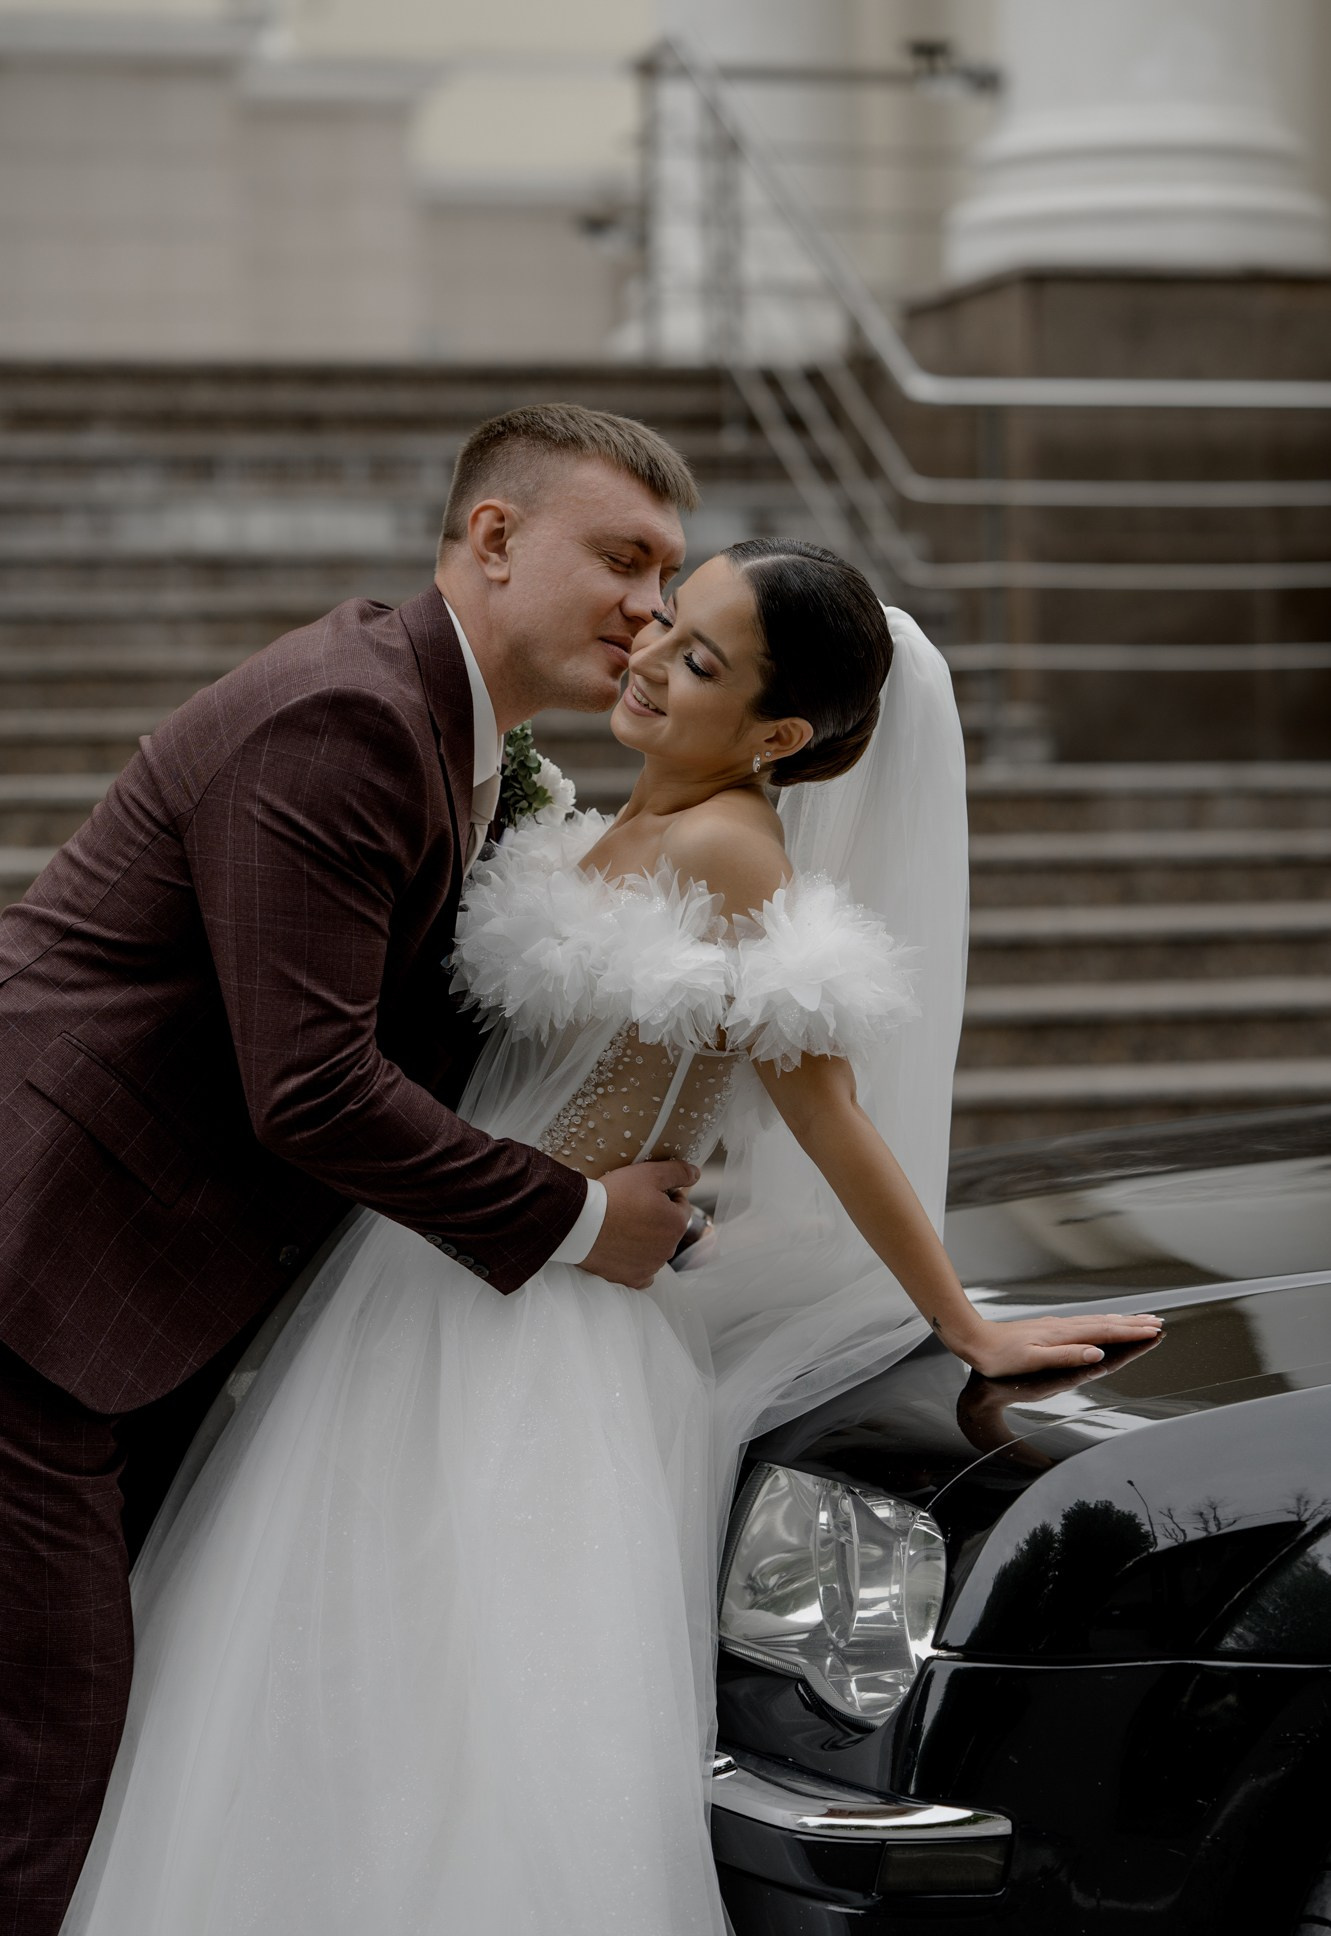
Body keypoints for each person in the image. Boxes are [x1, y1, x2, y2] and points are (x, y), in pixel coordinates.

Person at [58, 539, 1162, 1935]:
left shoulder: (731, 852)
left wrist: (968, 1324)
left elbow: (830, 1115)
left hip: (549, 1330)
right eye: (667, 622)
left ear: (777, 736)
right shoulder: (600, 821)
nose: (645, 656)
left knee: (490, 1699)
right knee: (334, 1655)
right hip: (422, 1278)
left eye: (698, 660)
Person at [0, 403, 709, 1936]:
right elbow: (312, 1087)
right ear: (495, 538)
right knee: (50, 1770)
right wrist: (582, 1219)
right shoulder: (346, 718)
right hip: (38, 1282)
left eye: (670, 575)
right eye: (623, 559)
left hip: (129, 1297)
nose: (652, 609)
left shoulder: (473, 745)